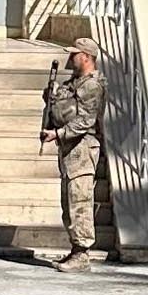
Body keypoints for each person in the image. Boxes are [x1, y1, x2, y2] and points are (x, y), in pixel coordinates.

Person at [39, 38, 107, 272]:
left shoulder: (92, 85)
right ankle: (75, 248)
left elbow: (86, 120)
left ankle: (82, 253)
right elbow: (63, 107)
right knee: (68, 201)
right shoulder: (73, 83)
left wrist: (58, 134)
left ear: (86, 57)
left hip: (82, 146)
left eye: (74, 54)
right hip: (69, 148)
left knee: (80, 201)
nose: (70, 58)